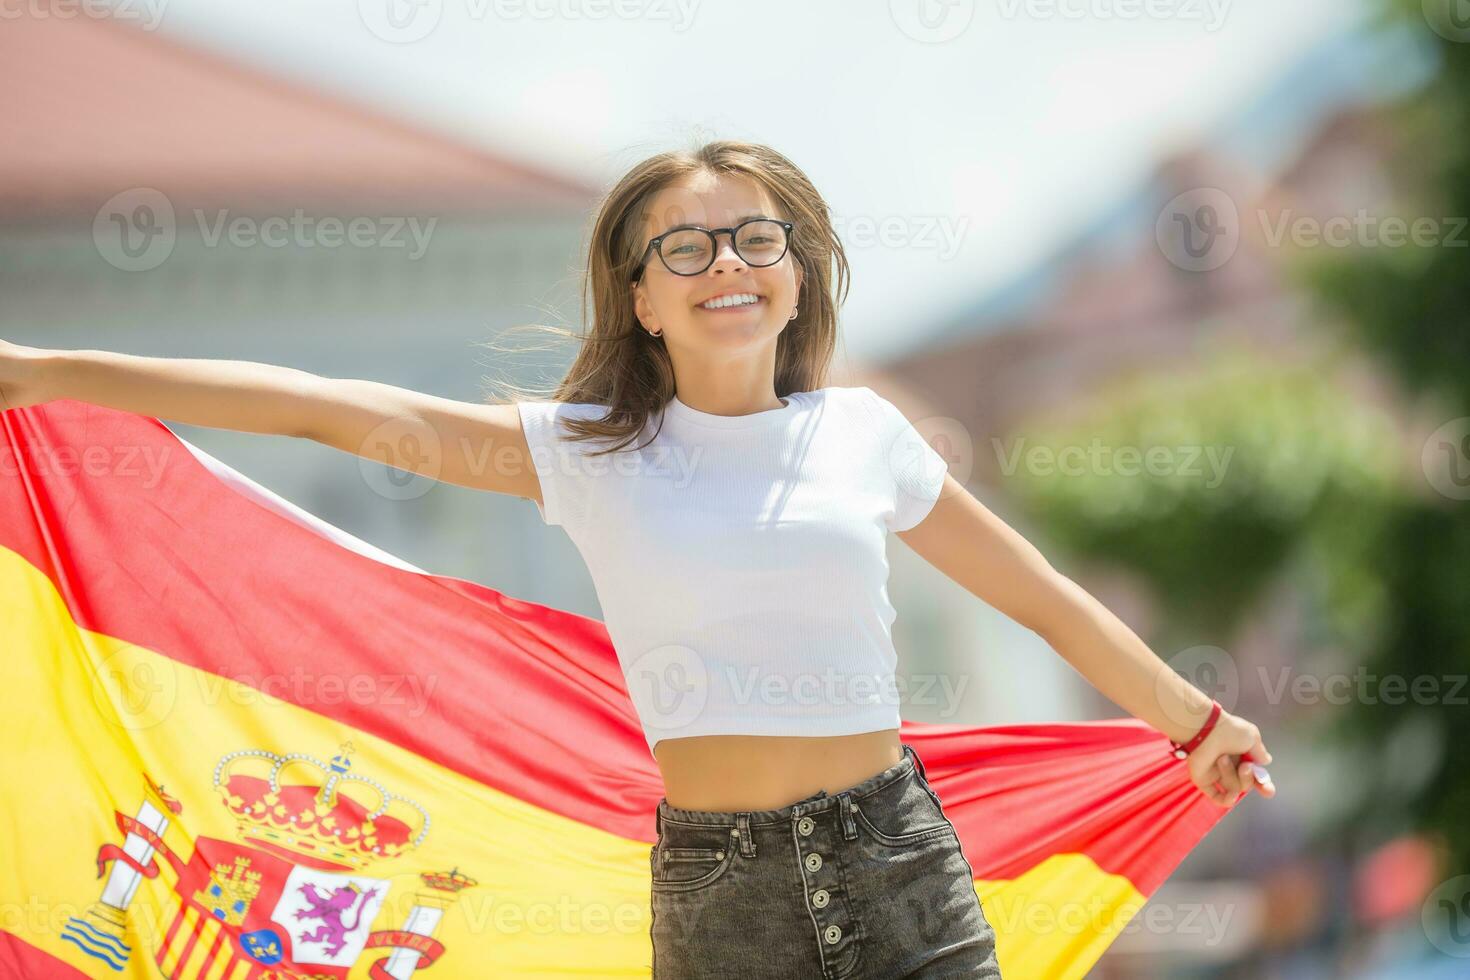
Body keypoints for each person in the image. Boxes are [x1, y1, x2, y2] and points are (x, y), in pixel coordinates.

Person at [0, 140, 1273, 978]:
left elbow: (1039, 596)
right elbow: (319, 404)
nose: (727, 262)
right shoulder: (584, 454)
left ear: (797, 275)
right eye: (687, 245)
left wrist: (1193, 717)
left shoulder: (863, 433)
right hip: (719, 897)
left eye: (756, 239)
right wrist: (40, 370)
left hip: (904, 870)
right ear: (642, 298)